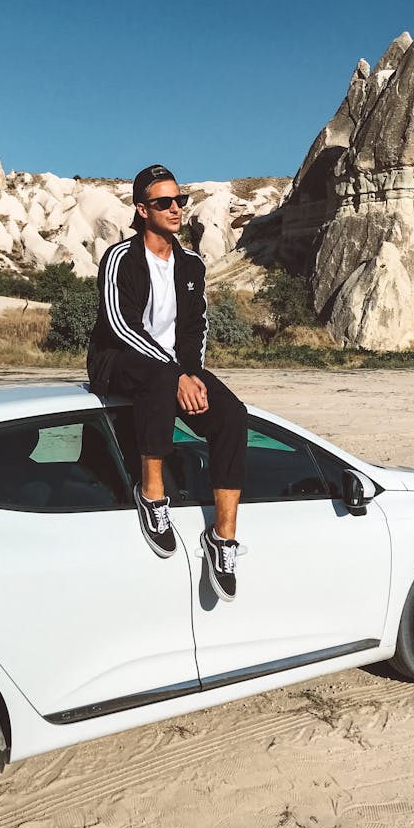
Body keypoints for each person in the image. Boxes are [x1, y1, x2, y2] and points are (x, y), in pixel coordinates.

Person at [87, 164, 247, 601]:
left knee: (232, 415)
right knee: (159, 377)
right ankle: (153, 494)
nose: (175, 209)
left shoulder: (192, 263)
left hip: (174, 367)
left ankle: (223, 536)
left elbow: (197, 327)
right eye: (163, 203)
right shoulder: (121, 257)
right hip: (119, 362)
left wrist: (191, 374)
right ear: (142, 210)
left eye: (180, 200)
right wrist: (175, 374)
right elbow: (120, 325)